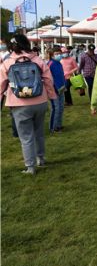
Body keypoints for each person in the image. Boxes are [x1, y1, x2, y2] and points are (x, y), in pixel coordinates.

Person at [0, 34, 57, 174]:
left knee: (26, 136)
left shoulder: (7, 63)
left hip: (19, 103)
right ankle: (41, 158)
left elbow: (1, 84)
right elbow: (49, 80)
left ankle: (30, 166)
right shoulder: (38, 60)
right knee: (39, 132)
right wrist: (51, 96)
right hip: (40, 101)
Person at [47, 47, 66, 132]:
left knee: (61, 107)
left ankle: (58, 125)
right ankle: (53, 127)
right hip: (54, 90)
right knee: (56, 108)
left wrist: (64, 85)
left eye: (60, 53)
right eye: (56, 54)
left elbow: (61, 76)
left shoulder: (59, 63)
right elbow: (48, 78)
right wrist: (53, 89)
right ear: (52, 55)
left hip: (61, 88)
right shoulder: (50, 64)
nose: (59, 55)